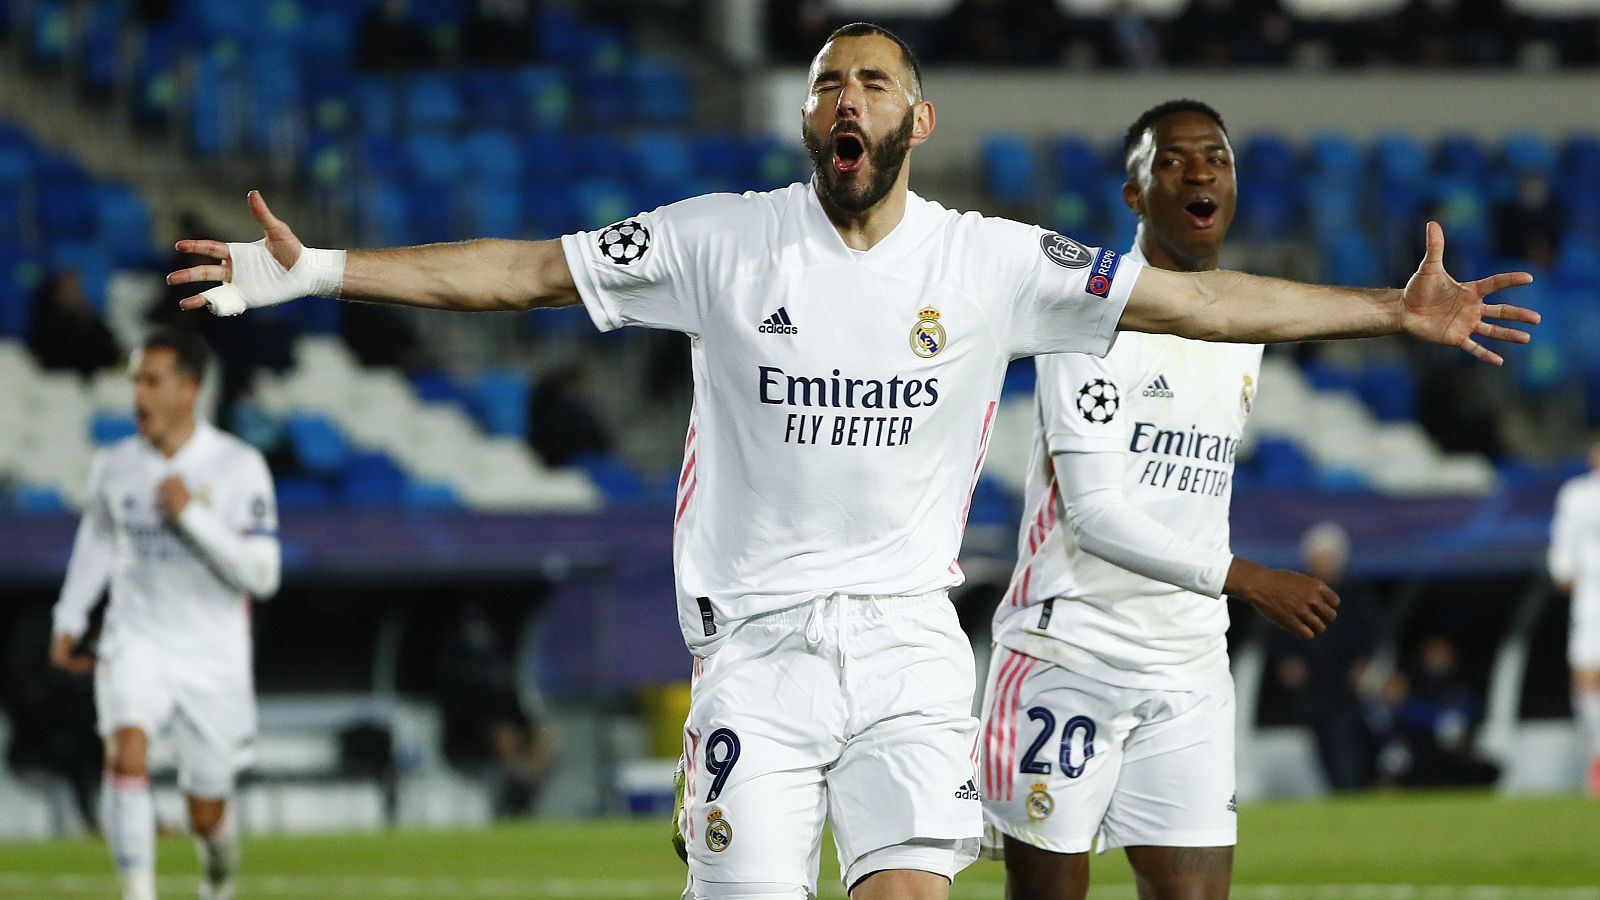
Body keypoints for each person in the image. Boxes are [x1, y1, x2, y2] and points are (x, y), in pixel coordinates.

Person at [165, 24, 1535, 900]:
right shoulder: (720, 240)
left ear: (914, 123)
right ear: (811, 123)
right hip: (756, 650)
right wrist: (320, 271)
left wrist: (1389, 310)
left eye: (874, 82)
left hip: (908, 650)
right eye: (829, 81)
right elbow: (522, 272)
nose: (849, 98)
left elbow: (1206, 301)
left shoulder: (992, 261)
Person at [979, 100, 1342, 900]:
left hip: (1189, 665)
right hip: (1070, 654)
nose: (1200, 171)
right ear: (1134, 195)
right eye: (1172, 160)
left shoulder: (1242, 328)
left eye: (1217, 157)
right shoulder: (1088, 315)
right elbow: (1094, 515)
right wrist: (1250, 579)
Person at [49, 329, 281, 900]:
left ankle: (217, 876)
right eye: (136, 381)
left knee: (205, 811)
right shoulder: (115, 466)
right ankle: (139, 892)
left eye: (152, 382)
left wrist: (191, 519)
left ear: (188, 391)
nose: (139, 395)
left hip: (212, 654)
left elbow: (263, 575)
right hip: (136, 638)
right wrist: (70, 617)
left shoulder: (237, 466)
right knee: (126, 751)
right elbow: (98, 542)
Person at [1269, 522, 1380, 792]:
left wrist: (1363, 662)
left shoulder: (1354, 597)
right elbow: (1279, 634)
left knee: (1344, 743)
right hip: (1308, 689)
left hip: (1342, 687)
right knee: (1311, 750)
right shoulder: (1295, 595)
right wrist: (1287, 660)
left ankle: (1347, 791)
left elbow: (1370, 633)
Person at [1549, 438, 1600, 797]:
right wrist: (1563, 570)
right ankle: (1598, 754)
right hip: (1591, 600)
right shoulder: (1577, 494)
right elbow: (1563, 541)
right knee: (1586, 678)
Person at [27, 268, 122, 377]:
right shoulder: (47, 326)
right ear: (56, 292)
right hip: (58, 379)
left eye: (76, 289)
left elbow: (111, 352)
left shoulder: (89, 320)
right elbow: (52, 357)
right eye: (67, 289)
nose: (74, 294)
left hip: (94, 378)